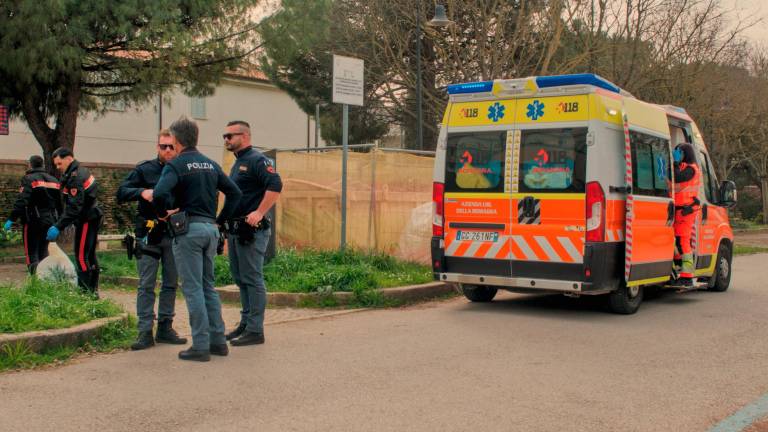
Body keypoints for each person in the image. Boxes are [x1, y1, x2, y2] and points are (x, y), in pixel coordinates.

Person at [153, 117, 242, 362]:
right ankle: (217, 341)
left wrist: (163, 214)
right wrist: (220, 220)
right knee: (207, 286)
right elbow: (235, 192)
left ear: (177, 139)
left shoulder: (176, 165)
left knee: (192, 288)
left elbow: (160, 193)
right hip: (210, 230)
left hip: (188, 232)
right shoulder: (211, 164)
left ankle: (200, 345)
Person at [117, 129, 187, 350]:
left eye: (171, 146)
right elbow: (121, 192)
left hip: (174, 232)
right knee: (146, 284)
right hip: (148, 233)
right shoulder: (144, 169)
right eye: (162, 146)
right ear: (157, 147)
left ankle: (165, 328)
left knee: (170, 283)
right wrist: (141, 192)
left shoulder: (184, 170)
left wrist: (181, 209)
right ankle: (144, 331)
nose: (167, 150)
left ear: (178, 147)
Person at [222, 120, 282, 347]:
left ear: (244, 136)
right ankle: (246, 324)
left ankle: (256, 330)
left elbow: (275, 185)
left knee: (252, 278)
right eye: (224, 136)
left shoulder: (257, 160)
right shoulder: (238, 163)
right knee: (240, 278)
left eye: (230, 136)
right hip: (237, 230)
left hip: (252, 231)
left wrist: (259, 212)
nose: (226, 140)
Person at [46, 148, 103, 295]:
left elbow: (74, 207)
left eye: (59, 163)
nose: (58, 168)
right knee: (90, 255)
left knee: (81, 256)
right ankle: (93, 291)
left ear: (69, 159)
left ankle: (85, 293)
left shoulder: (75, 177)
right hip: (91, 216)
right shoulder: (80, 171)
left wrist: (58, 226)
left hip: (86, 219)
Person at [3, 155, 61, 275]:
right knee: (43, 251)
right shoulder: (53, 180)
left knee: (31, 253)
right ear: (42, 165)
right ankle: (45, 279)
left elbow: (22, 200)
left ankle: (35, 280)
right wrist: (59, 222)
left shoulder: (29, 179)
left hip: (33, 220)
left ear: (30, 164)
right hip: (50, 221)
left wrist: (11, 219)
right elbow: (60, 203)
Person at [672, 143, 701, 287]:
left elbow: (677, 178)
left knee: (683, 241)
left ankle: (687, 275)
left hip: (686, 210)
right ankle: (679, 266)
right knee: (676, 240)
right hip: (679, 209)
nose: (677, 154)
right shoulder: (684, 167)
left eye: (679, 152)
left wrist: (675, 163)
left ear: (685, 154)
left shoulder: (691, 169)